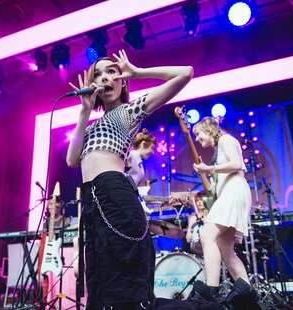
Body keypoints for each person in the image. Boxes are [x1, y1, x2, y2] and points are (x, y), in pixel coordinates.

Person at [66, 50, 202, 309]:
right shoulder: (91, 126)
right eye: (98, 74)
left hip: (115, 192)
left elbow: (185, 73)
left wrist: (138, 72)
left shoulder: (128, 111)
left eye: (111, 72)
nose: (104, 77)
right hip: (92, 201)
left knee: (128, 288)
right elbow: (72, 160)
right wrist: (84, 112)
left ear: (122, 81)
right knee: (100, 285)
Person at [190, 117, 257, 306]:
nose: (197, 139)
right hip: (232, 193)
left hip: (234, 192)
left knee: (206, 234)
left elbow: (237, 164)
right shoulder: (219, 150)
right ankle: (247, 293)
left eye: (198, 134)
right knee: (225, 248)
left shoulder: (226, 140)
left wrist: (209, 169)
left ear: (209, 130)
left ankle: (211, 289)